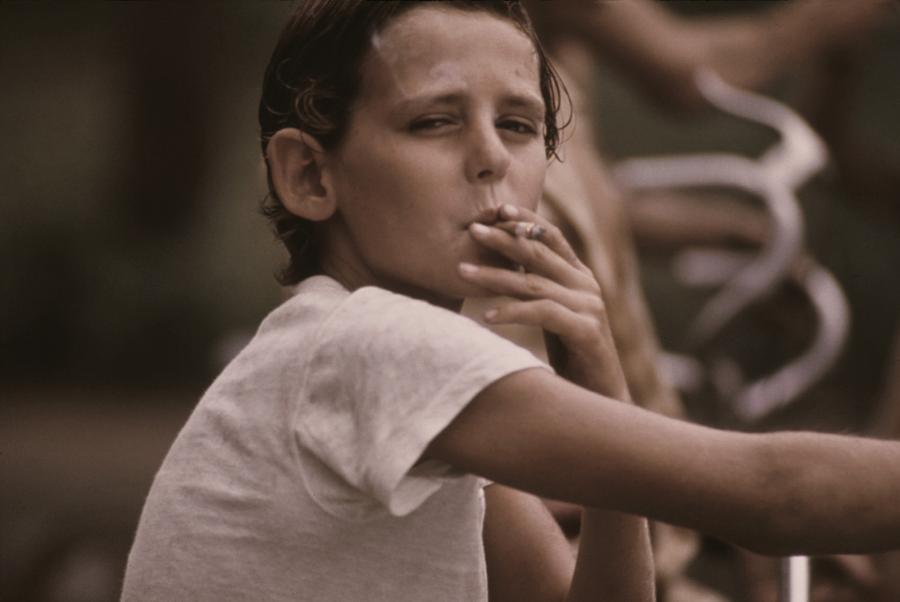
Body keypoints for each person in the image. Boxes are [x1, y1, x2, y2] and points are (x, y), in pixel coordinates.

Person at [122, 2, 900, 601]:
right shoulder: (367, 343)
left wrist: (599, 368)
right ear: (310, 177)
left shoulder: (411, 381)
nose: (492, 157)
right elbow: (770, 495)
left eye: (520, 125)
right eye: (434, 122)